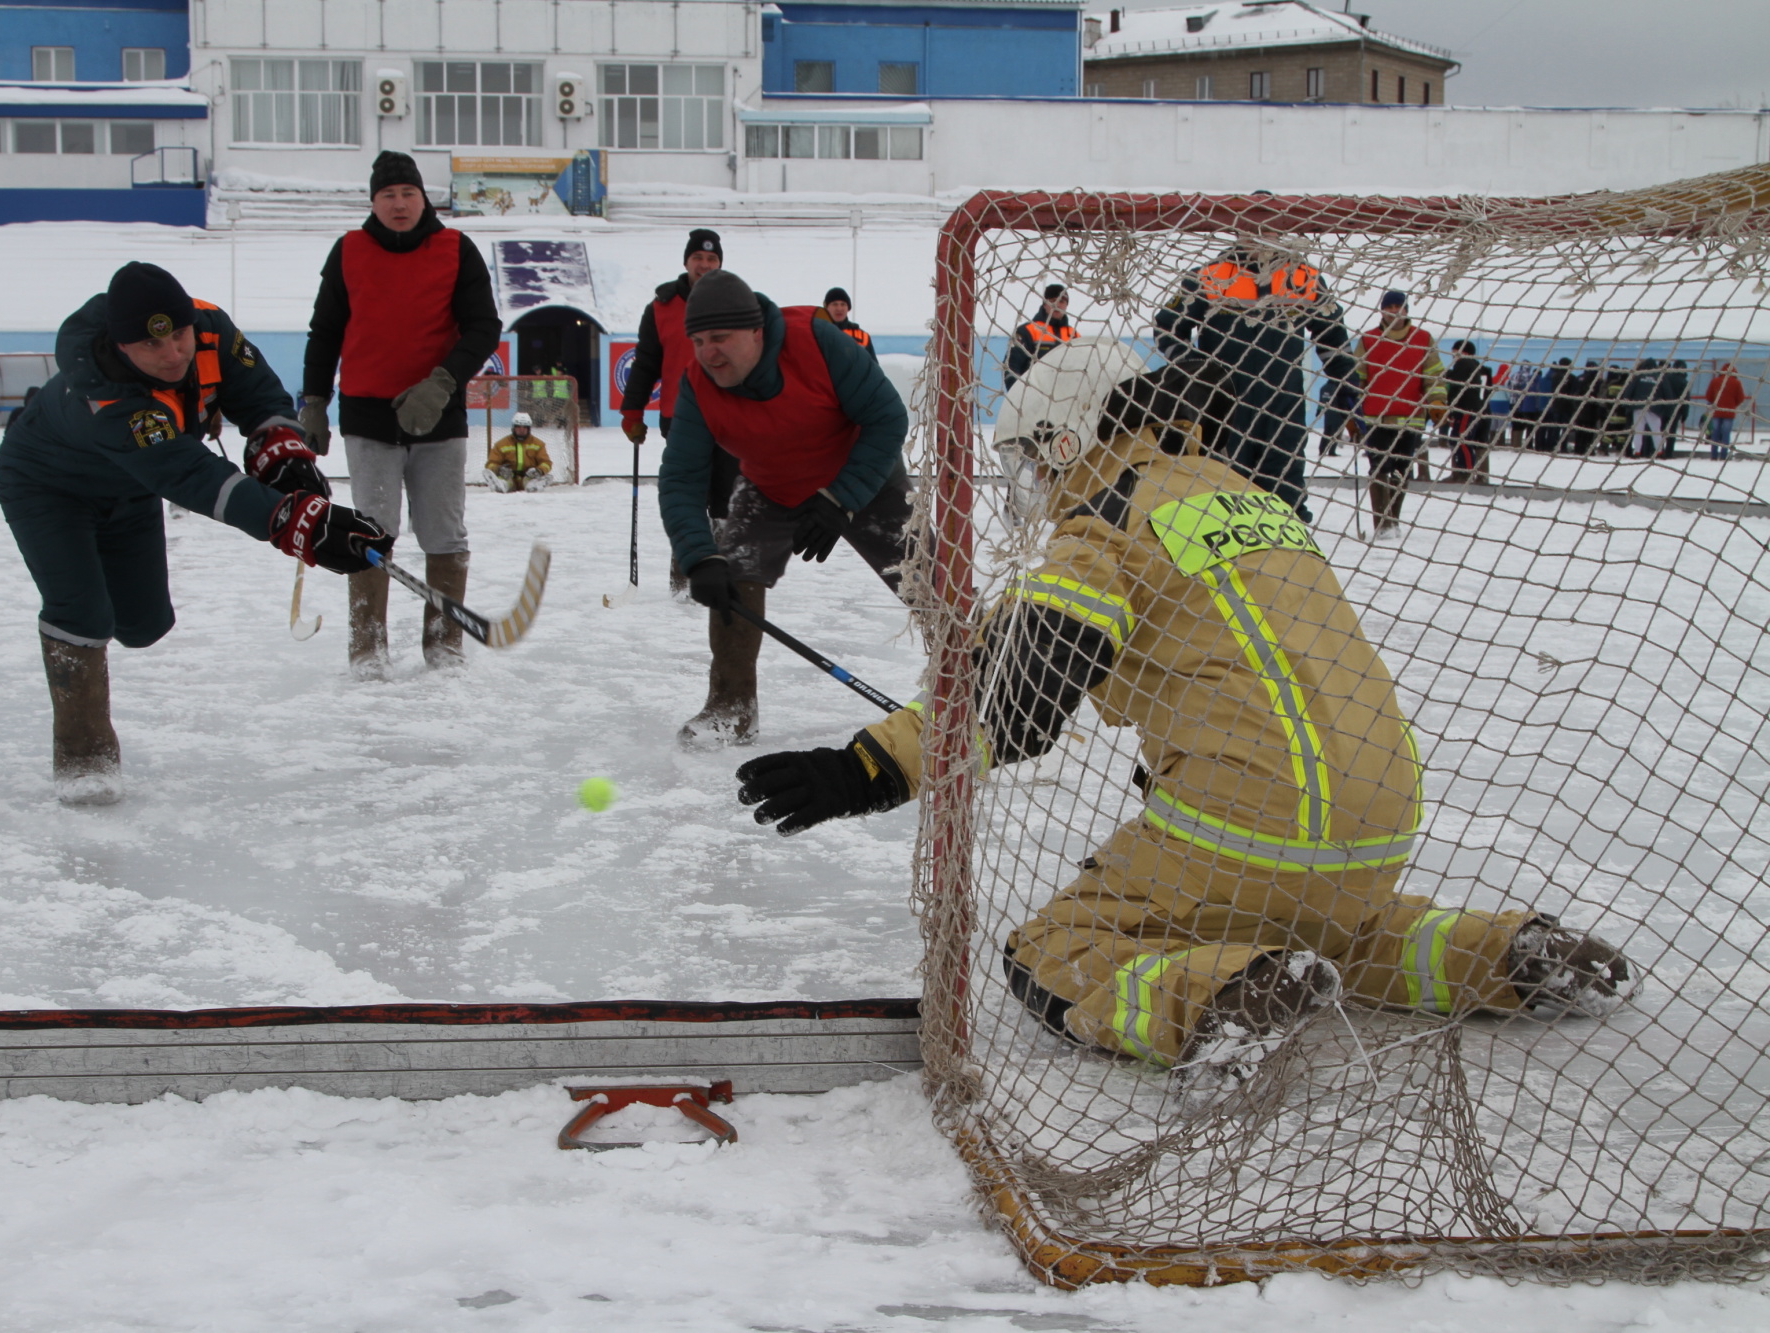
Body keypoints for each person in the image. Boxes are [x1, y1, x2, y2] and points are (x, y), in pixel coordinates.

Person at [731, 355, 1638, 1098]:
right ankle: (1508, 955)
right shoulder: (1249, 497)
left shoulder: (1106, 521)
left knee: (1051, 950)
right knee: (1338, 932)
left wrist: (865, 767)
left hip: (1248, 810)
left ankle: (1221, 1000)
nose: (1035, 487)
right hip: (1385, 807)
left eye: (1035, 463)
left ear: (1067, 439)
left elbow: (1019, 703)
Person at [0, 261, 390, 805]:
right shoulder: (105, 391)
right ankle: (83, 756)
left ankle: (99, 659)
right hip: (49, 488)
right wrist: (297, 524)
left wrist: (283, 456)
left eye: (179, 335)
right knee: (82, 613)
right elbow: (192, 475)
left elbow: (256, 393)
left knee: (142, 625)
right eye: (152, 347)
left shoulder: (210, 329)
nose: (174, 354)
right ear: (122, 345)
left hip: (131, 487)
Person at [658, 270, 910, 748]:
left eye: (720, 338)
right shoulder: (698, 385)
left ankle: (984, 687)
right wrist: (698, 556)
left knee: (927, 578)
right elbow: (680, 479)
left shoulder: (816, 341)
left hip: (861, 475)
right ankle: (730, 708)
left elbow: (888, 417)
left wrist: (841, 499)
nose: (709, 352)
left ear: (756, 332)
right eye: (698, 340)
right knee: (733, 569)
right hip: (771, 483)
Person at [301, 151, 502, 677]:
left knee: (442, 532)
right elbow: (324, 332)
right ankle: (368, 648)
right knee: (371, 531)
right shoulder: (349, 250)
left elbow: (484, 326)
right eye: (388, 195)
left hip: (438, 413)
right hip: (367, 416)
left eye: (407, 193)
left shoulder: (456, 249)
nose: (398, 204)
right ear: (373, 201)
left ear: (423, 198)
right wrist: (314, 401)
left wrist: (442, 381)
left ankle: (444, 643)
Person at [1154, 245, 1356, 523]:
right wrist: (1196, 369)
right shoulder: (1210, 275)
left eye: (1268, 227)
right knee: (1223, 494)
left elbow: (1332, 336)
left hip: (1283, 407)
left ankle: (1287, 556)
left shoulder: (1303, 277)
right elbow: (1167, 327)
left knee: (1285, 497)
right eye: (1252, 227)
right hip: (1223, 408)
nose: (1261, 235)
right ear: (1239, 230)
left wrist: (1347, 383)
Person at [621, 228, 729, 594]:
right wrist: (632, 411)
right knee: (688, 496)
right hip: (680, 417)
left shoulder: (734, 301)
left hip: (730, 415)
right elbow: (646, 362)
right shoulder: (661, 307)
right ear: (686, 262)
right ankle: (683, 581)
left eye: (712, 259)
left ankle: (723, 570)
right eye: (698, 258)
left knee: (726, 498)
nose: (704, 264)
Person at [1358, 291, 1446, 535]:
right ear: (1382, 310)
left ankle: (1393, 520)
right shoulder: (1368, 340)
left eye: (1399, 306)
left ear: (1407, 310)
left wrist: (1437, 401)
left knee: (1401, 469)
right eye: (1390, 306)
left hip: (1411, 417)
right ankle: (1383, 524)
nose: (1395, 310)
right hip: (1376, 417)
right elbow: (1357, 379)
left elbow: (1434, 375)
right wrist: (1350, 414)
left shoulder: (1423, 339)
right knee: (1379, 468)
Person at [1005, 283, 1078, 388]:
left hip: (1065, 396)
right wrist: (1016, 392)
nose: (1057, 305)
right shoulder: (1026, 331)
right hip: (1034, 393)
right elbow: (1011, 364)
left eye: (1061, 301)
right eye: (1053, 301)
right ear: (1045, 304)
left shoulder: (1074, 335)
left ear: (1066, 305)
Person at [1441, 339, 1492, 485]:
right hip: (1482, 410)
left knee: (1461, 441)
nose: (1453, 356)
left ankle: (1465, 473)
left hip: (1466, 409)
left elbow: (1457, 388)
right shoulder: (1480, 368)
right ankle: (1479, 476)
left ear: (1462, 352)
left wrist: (1451, 408)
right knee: (1473, 442)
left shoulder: (1463, 364)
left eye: (1454, 352)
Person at [484, 412, 552, 492]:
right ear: (513, 428)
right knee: (504, 482)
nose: (521, 430)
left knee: (532, 482)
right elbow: (491, 463)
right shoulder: (501, 444)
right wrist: (499, 469)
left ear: (529, 429)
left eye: (524, 428)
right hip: (508, 477)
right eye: (518, 427)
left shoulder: (539, 444)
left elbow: (546, 462)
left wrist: (539, 470)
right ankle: (500, 486)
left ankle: (534, 486)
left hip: (528, 477)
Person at [1704, 361, 1748, 460]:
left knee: (1715, 433)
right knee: (1726, 434)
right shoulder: (1736, 383)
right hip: (1729, 412)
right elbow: (1741, 398)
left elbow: (1709, 396)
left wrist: (1715, 402)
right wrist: (1733, 405)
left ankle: (1714, 455)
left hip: (1717, 411)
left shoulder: (1715, 381)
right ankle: (1724, 456)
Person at [820, 287, 877, 360]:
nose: (839, 309)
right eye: (835, 304)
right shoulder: (819, 334)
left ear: (848, 308)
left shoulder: (862, 337)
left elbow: (872, 368)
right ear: (826, 307)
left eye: (843, 304)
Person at [1657, 359, 1692, 459]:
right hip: (1676, 410)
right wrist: (1685, 414)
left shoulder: (1666, 378)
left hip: (1662, 408)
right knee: (1671, 433)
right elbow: (1685, 399)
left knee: (1660, 431)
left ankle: (1659, 450)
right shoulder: (1683, 382)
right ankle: (1669, 453)